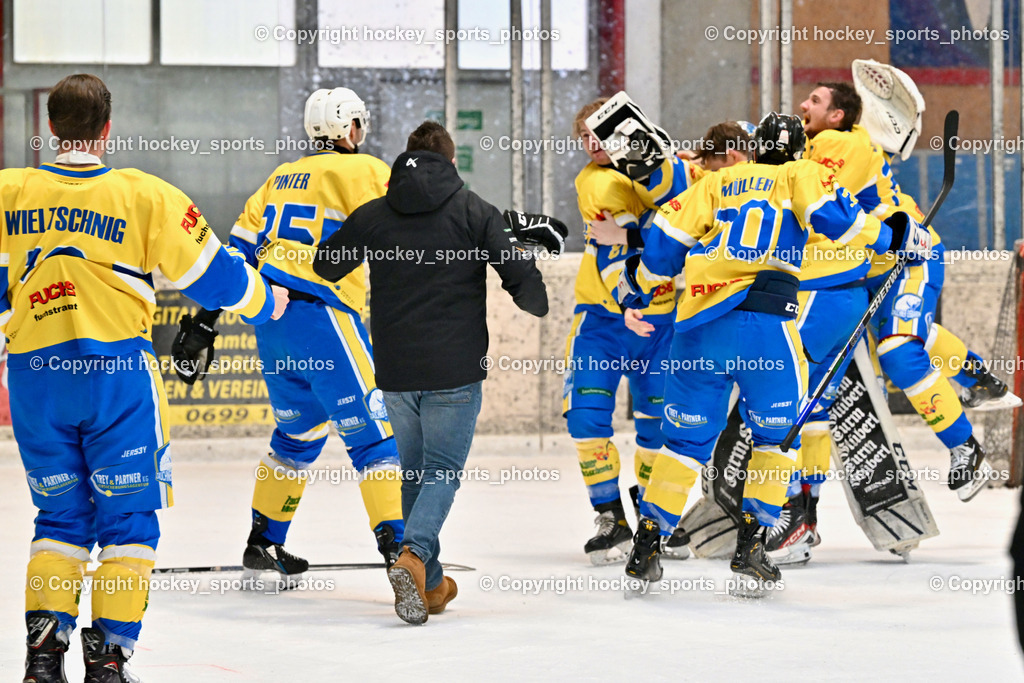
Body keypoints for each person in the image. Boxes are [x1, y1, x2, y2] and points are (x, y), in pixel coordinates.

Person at [9, 74, 287, 683]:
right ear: (107, 130)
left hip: (35, 379)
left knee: (58, 520)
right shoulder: (146, 196)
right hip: (117, 380)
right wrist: (269, 301)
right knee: (128, 521)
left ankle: (43, 657)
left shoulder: (8, 192)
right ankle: (108, 658)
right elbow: (216, 276)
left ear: (49, 128)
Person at [616, 113, 932, 596]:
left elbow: (660, 251)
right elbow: (839, 222)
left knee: (682, 444)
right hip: (765, 326)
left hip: (698, 327)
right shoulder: (800, 173)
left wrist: (633, 288)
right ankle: (752, 545)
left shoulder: (717, 182)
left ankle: (647, 545)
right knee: (777, 437)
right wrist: (898, 238)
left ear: (754, 148)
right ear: (801, 149)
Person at [313, 121, 552, 624]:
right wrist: (535, 295)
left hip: (397, 370)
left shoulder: (377, 212)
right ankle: (414, 556)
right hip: (455, 369)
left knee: (416, 473)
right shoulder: (472, 210)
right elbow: (520, 279)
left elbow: (327, 264)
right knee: (441, 470)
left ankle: (433, 584)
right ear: (451, 163)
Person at [172, 87, 406, 582]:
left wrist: (204, 323)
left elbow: (235, 256)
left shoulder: (279, 177)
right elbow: (410, 223)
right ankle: (402, 555)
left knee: (297, 436)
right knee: (376, 438)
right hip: (325, 317)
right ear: (348, 128)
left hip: (271, 323)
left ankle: (263, 543)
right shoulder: (366, 171)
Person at [799, 81, 1012, 507]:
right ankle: (978, 376)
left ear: (837, 116)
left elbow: (814, 207)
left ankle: (967, 450)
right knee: (908, 335)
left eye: (816, 101)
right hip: (873, 266)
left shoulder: (836, 144)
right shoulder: (829, 143)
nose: (804, 104)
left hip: (911, 257)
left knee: (898, 349)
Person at [565, 97, 703, 564]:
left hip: (664, 320)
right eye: (583, 136)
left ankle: (652, 516)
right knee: (585, 419)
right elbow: (612, 250)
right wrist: (626, 299)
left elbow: (695, 223)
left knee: (658, 426)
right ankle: (609, 516)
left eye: (598, 133)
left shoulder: (665, 167)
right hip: (605, 320)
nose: (591, 143)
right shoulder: (595, 181)